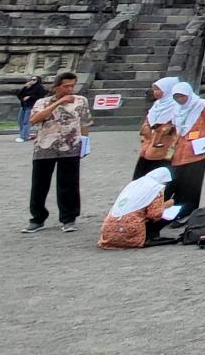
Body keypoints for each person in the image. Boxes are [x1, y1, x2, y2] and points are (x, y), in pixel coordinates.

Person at [23, 71, 91, 233]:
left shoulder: (81, 101)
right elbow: (34, 119)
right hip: (44, 147)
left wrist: (86, 142)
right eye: (66, 86)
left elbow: (85, 122)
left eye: (72, 86)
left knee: (69, 184)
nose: (70, 89)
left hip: (70, 146)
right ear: (56, 87)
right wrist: (58, 102)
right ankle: (37, 218)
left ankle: (69, 218)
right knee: (40, 184)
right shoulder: (42, 102)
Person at [168, 82, 205, 218]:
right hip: (179, 151)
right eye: (177, 97)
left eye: (182, 97)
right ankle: (175, 211)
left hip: (196, 151)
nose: (180, 100)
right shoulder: (176, 108)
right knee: (177, 183)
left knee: (191, 184)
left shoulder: (201, 105)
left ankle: (188, 212)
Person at [98, 166, 177, 250]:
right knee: (164, 214)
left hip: (108, 232)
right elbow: (154, 214)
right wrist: (167, 205)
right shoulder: (156, 188)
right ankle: (150, 235)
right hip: (129, 232)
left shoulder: (133, 184)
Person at [133, 76, 180, 181]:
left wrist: (167, 129)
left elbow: (180, 125)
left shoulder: (176, 106)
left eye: (158, 89)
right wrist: (147, 127)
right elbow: (148, 119)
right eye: (154, 89)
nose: (155, 92)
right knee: (142, 177)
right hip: (149, 145)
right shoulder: (157, 105)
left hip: (165, 148)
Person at [15, 75, 45, 142]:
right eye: (31, 79)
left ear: (38, 80)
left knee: (26, 121)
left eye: (34, 80)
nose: (32, 81)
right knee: (20, 121)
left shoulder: (39, 87)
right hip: (24, 106)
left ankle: (24, 137)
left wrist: (30, 97)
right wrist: (25, 87)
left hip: (31, 106)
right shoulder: (28, 87)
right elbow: (19, 95)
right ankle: (24, 135)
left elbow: (41, 97)